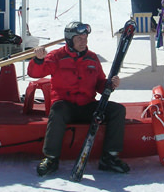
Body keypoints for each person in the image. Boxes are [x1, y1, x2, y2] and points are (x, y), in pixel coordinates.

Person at [28, 22, 129, 176]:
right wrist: (39, 60)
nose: (84, 41)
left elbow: (100, 84)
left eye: (85, 37)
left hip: (87, 105)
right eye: (79, 38)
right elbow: (35, 73)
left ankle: (110, 157)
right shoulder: (56, 56)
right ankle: (51, 158)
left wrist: (110, 85)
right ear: (70, 39)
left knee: (117, 110)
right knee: (57, 109)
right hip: (65, 106)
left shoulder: (92, 58)